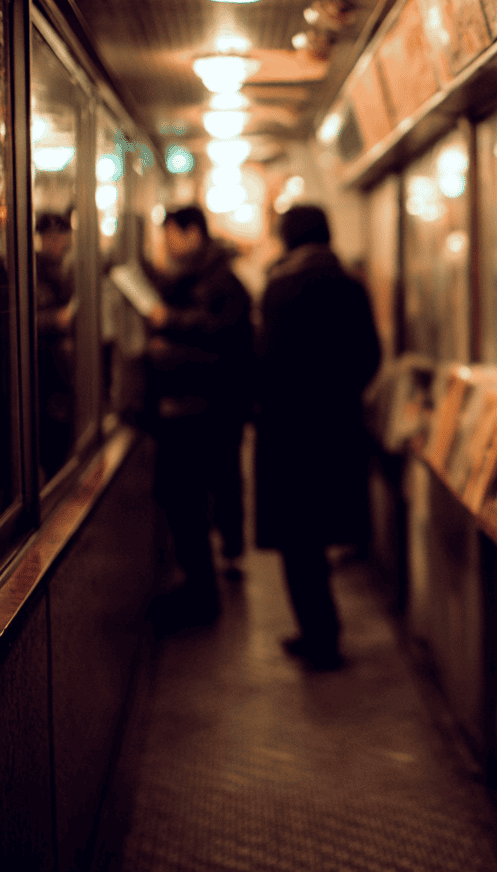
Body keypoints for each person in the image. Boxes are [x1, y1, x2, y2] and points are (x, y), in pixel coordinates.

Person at [257, 204, 381, 670]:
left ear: (288, 237)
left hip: (290, 433)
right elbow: (371, 354)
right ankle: (323, 632)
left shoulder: (279, 288)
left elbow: (266, 363)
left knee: (298, 540)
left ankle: (318, 635)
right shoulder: (351, 285)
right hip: (338, 428)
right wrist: (342, 396)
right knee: (325, 530)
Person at [146, 205, 254, 626]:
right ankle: (204, 578)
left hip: (206, 409)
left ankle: (204, 589)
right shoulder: (203, 275)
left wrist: (170, 334)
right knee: (190, 496)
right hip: (201, 407)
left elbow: (224, 344)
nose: (167, 245)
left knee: (190, 496)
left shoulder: (219, 280)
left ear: (192, 233)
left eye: (170, 234)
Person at [35, 211, 77, 480]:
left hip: (63, 365)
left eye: (60, 235)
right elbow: (18, 321)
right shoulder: (29, 270)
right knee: (50, 435)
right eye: (49, 236)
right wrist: (55, 320)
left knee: (64, 433)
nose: (56, 242)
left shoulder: (69, 267)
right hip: (41, 365)